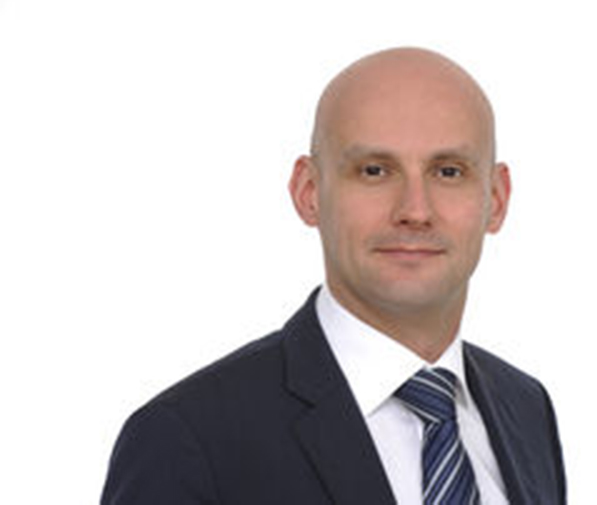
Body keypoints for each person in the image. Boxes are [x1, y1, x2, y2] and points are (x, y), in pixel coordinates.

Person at [101, 47, 566, 505]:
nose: (415, 210)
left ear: (496, 199)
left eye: (448, 171)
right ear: (309, 192)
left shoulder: (525, 408)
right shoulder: (187, 440)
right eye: (375, 171)